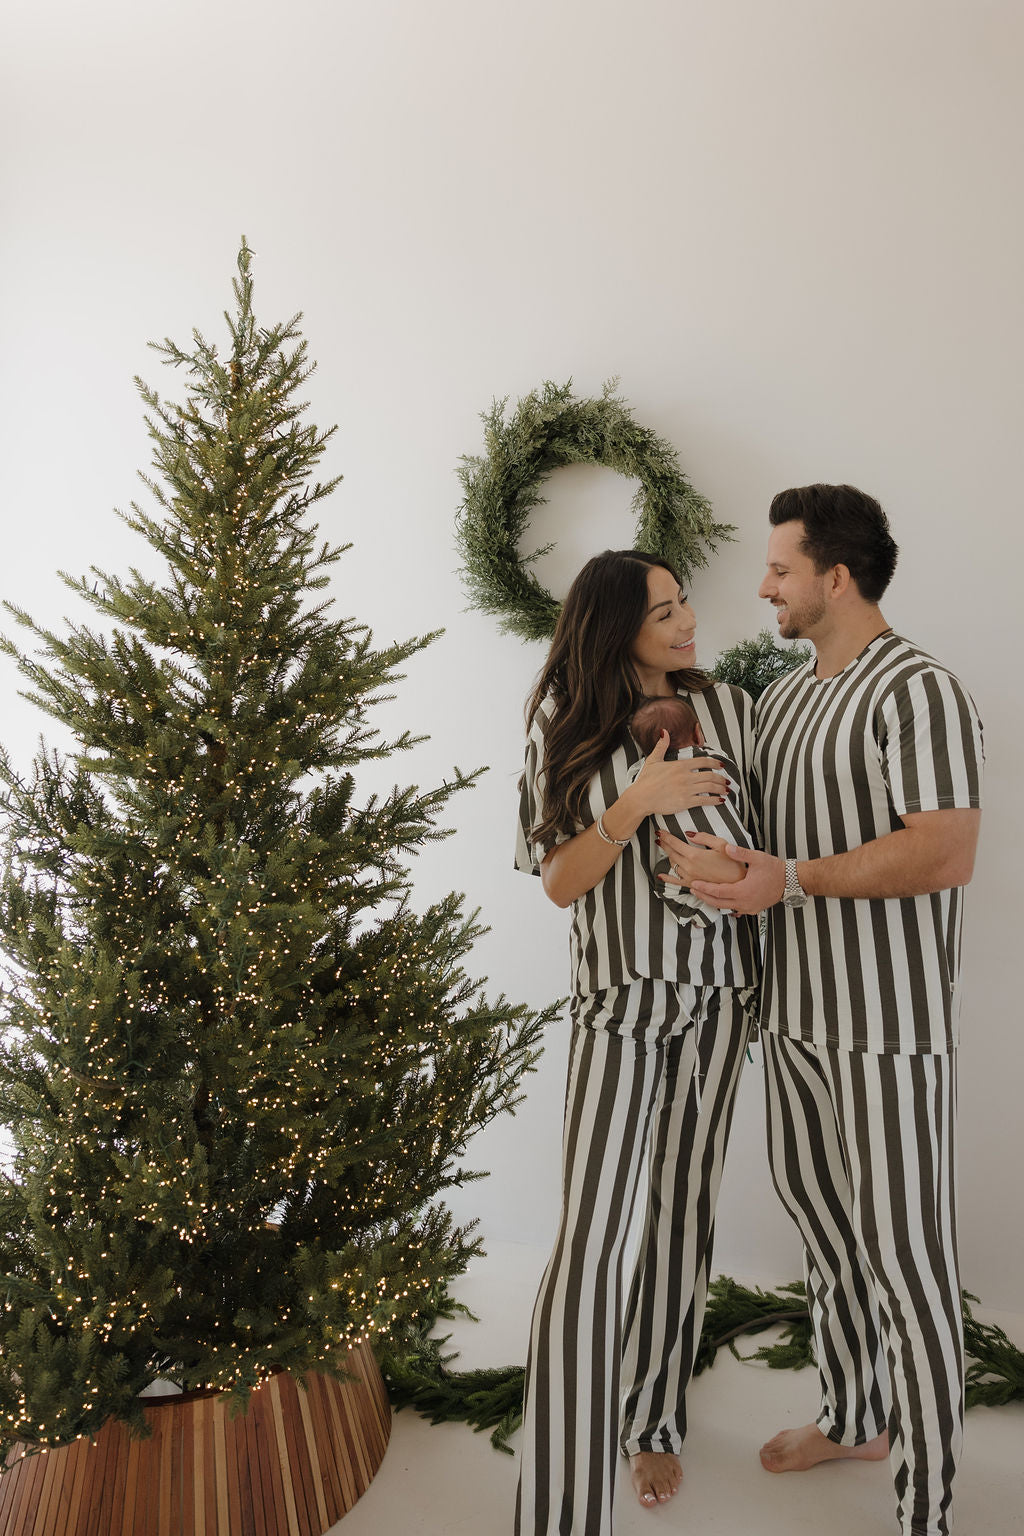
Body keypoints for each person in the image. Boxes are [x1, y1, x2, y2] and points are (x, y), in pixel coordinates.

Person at [664, 485, 983, 1536]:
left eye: (779, 570)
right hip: (790, 1019)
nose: (761, 586)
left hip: (883, 1033)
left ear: (834, 577)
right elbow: (767, 842)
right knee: (830, 1238)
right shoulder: (792, 698)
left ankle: (924, 1510)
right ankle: (855, 1416)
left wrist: (788, 879)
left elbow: (943, 847)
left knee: (905, 1262)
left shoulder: (916, 690)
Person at [513, 549, 760, 1536]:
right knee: (591, 1240)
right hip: (620, 1005)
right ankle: (563, 1507)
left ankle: (651, 1416)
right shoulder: (564, 722)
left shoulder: (733, 706)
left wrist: (728, 864)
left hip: (722, 999)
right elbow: (560, 882)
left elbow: (769, 838)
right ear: (616, 627)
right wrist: (629, 808)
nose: (689, 620)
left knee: (678, 1217)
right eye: (664, 611)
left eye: (683, 602)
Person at [627, 695, 749, 925]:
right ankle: (729, 900)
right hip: (738, 847)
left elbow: (633, 794)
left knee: (663, 880)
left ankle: (701, 914)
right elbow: (735, 791)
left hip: (685, 855)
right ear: (698, 732)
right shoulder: (719, 758)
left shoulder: (642, 775)